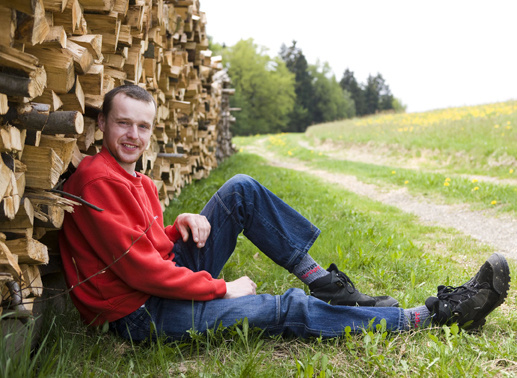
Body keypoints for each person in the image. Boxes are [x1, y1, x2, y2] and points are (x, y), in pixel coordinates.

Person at [59, 85, 511, 341]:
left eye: (143, 125)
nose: (134, 135)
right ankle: (430, 316)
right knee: (282, 309)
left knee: (241, 191)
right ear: (101, 124)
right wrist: (224, 288)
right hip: (140, 314)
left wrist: (176, 225)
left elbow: (140, 244)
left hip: (154, 284)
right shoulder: (98, 180)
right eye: (123, 123)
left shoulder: (131, 176)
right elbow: (139, 272)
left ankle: (326, 284)